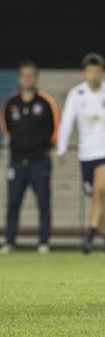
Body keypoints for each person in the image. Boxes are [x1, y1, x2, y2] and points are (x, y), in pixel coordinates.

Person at [0, 61, 59, 254]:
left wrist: (49, 146)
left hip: (40, 161)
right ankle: (10, 242)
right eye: (24, 75)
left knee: (43, 203)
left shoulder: (46, 102)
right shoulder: (11, 103)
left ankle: (43, 242)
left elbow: (56, 126)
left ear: (36, 77)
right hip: (17, 161)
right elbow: (5, 127)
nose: (28, 79)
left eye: (31, 75)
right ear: (19, 78)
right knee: (13, 202)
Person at [57, 53, 105, 254]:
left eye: (97, 71)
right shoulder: (77, 94)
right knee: (98, 200)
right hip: (86, 154)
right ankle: (98, 230)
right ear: (85, 73)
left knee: (98, 192)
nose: (93, 75)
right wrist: (61, 148)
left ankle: (89, 236)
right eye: (90, 71)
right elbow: (67, 122)